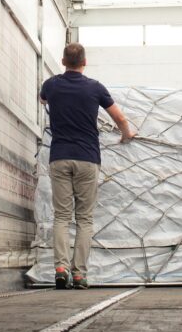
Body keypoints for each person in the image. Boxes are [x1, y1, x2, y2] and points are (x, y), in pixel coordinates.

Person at [40, 43, 136, 290]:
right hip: (87, 158)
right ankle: (79, 274)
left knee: (61, 216)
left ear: (63, 61)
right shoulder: (95, 88)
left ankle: (60, 268)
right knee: (84, 218)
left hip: (59, 157)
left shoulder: (51, 85)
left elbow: (42, 100)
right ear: (84, 63)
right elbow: (120, 117)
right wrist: (126, 134)